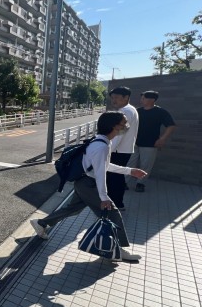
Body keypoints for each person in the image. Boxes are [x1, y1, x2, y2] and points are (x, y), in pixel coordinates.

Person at [30, 111, 147, 262]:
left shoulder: (101, 141)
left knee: (72, 209)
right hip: (88, 184)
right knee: (113, 213)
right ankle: (117, 249)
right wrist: (104, 197)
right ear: (113, 126)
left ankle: (41, 223)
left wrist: (130, 171)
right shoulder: (102, 146)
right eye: (123, 124)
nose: (126, 126)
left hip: (83, 182)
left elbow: (103, 166)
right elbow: (100, 173)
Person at [127, 90, 176, 193]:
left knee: (145, 165)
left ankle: (140, 183)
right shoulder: (138, 111)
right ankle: (124, 182)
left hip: (150, 144)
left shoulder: (161, 112)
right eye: (141, 98)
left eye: (144, 98)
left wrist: (162, 139)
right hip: (134, 143)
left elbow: (171, 126)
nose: (141, 100)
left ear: (152, 99)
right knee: (129, 163)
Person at [106, 86, 138, 210]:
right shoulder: (131, 109)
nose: (113, 100)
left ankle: (116, 204)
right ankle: (117, 203)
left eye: (116, 97)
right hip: (124, 149)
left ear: (126, 97)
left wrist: (107, 149)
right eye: (112, 98)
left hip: (118, 150)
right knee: (117, 176)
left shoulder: (125, 112)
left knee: (114, 177)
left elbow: (119, 134)